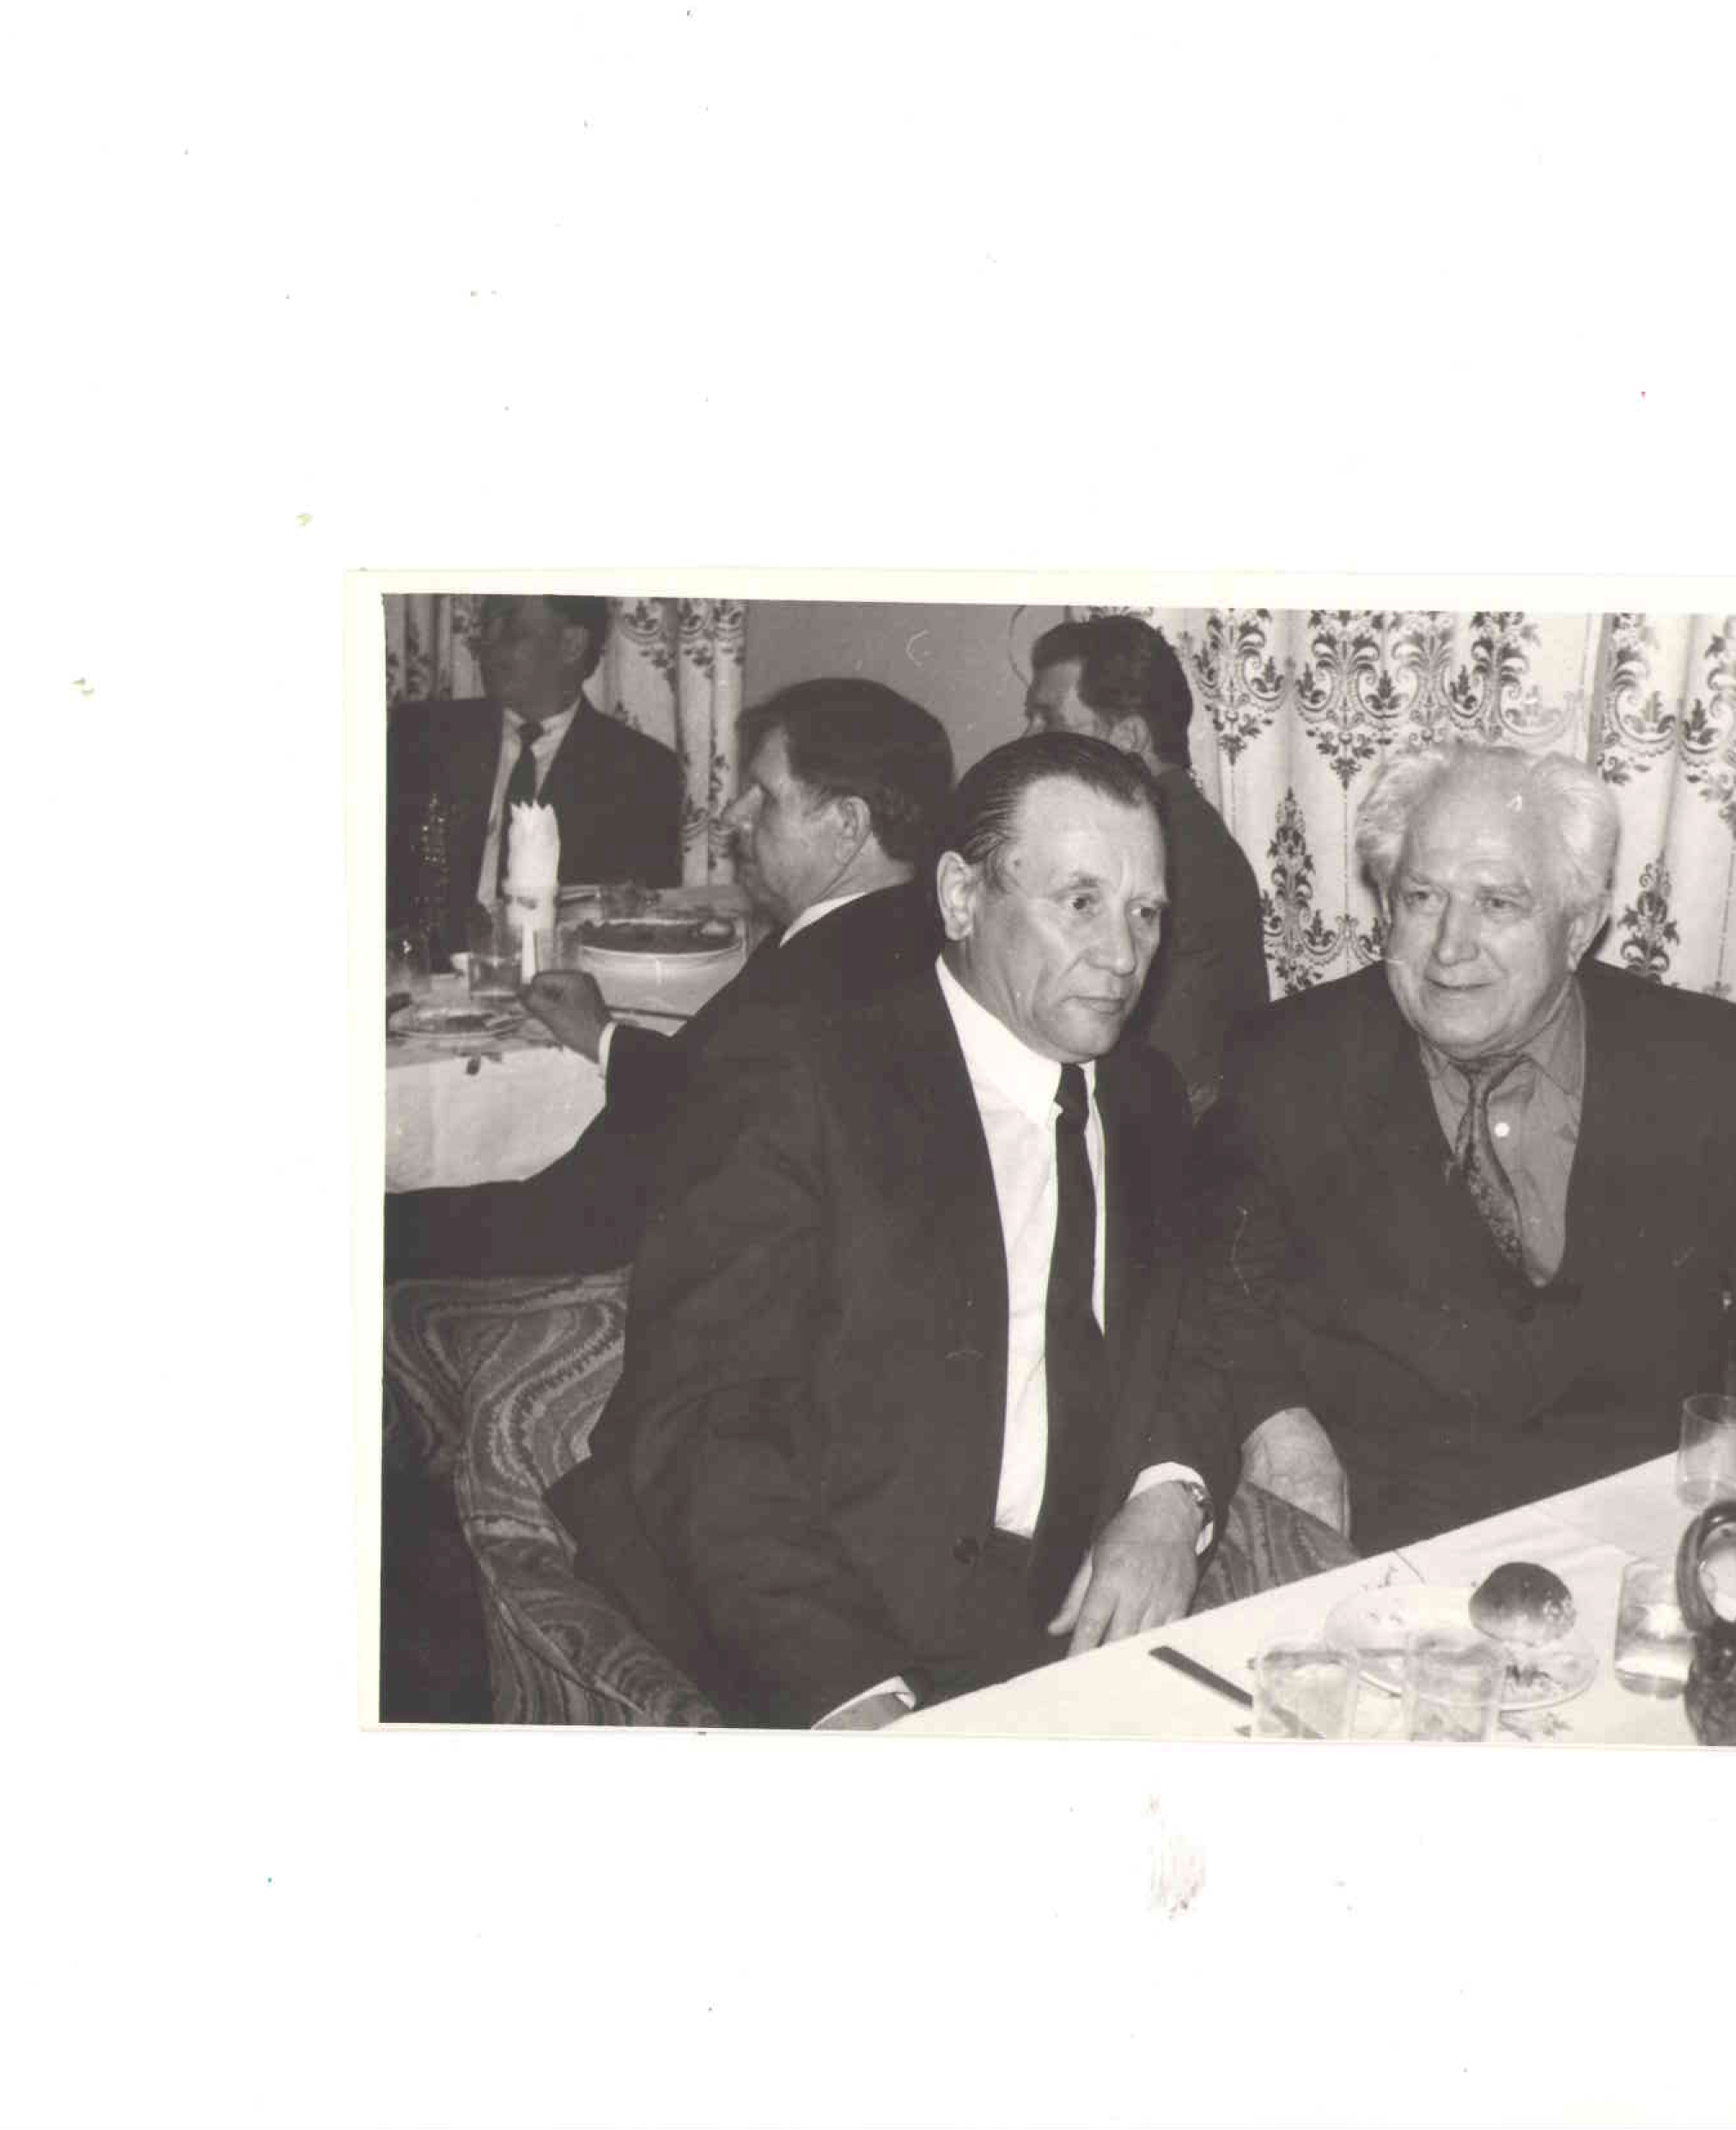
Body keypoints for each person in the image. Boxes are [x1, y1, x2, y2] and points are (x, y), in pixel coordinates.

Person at [554, 733, 1235, 1729]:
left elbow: (1194, 1322)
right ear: (962, 897)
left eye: (1146, 912)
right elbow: (704, 1423)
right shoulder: (799, 1078)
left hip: (1048, 1616)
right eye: (1080, 901)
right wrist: (849, 1686)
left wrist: (1171, 1495)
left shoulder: (1145, 1095)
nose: (1124, 955)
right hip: (801, 1608)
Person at [1191, 739, 1736, 1555]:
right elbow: (1212, 1281)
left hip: (1639, 1536)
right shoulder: (1290, 1062)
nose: (1450, 947)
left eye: (1498, 904)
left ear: (1578, 927)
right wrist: (1274, 1422)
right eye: (1421, 898)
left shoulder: (1699, 1064)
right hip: (1379, 1541)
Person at [385, 679, 953, 1277]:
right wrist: (604, 1035)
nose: (733, 816)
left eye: (764, 797)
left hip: (621, 1252)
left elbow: (624, 1197)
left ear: (847, 825)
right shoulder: (884, 935)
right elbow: (710, 1091)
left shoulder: (821, 978)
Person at [1025, 614, 1266, 1113]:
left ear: (1129, 736)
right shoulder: (1179, 831)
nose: (1029, 736)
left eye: (1050, 719)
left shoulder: (1162, 854)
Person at [387, 593, 684, 958]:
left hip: (562, 978)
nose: (487, 645)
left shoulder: (643, 772)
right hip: (431, 977)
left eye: (511, 629)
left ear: (572, 644)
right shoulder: (423, 737)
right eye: (487, 628)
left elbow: (639, 930)